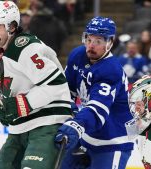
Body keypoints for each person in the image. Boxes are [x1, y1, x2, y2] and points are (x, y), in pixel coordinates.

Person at [0, 1, 72, 168]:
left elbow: (57, 86)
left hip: (47, 122)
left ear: (12, 26)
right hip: (19, 127)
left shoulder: (26, 48)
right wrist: (4, 105)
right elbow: (6, 86)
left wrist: (20, 104)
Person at [55, 16, 134, 169]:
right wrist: (68, 107)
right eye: (88, 39)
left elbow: (97, 110)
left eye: (98, 41)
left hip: (114, 140)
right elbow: (65, 90)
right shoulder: (77, 55)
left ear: (110, 42)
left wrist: (76, 123)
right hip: (86, 136)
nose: (91, 46)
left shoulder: (111, 70)